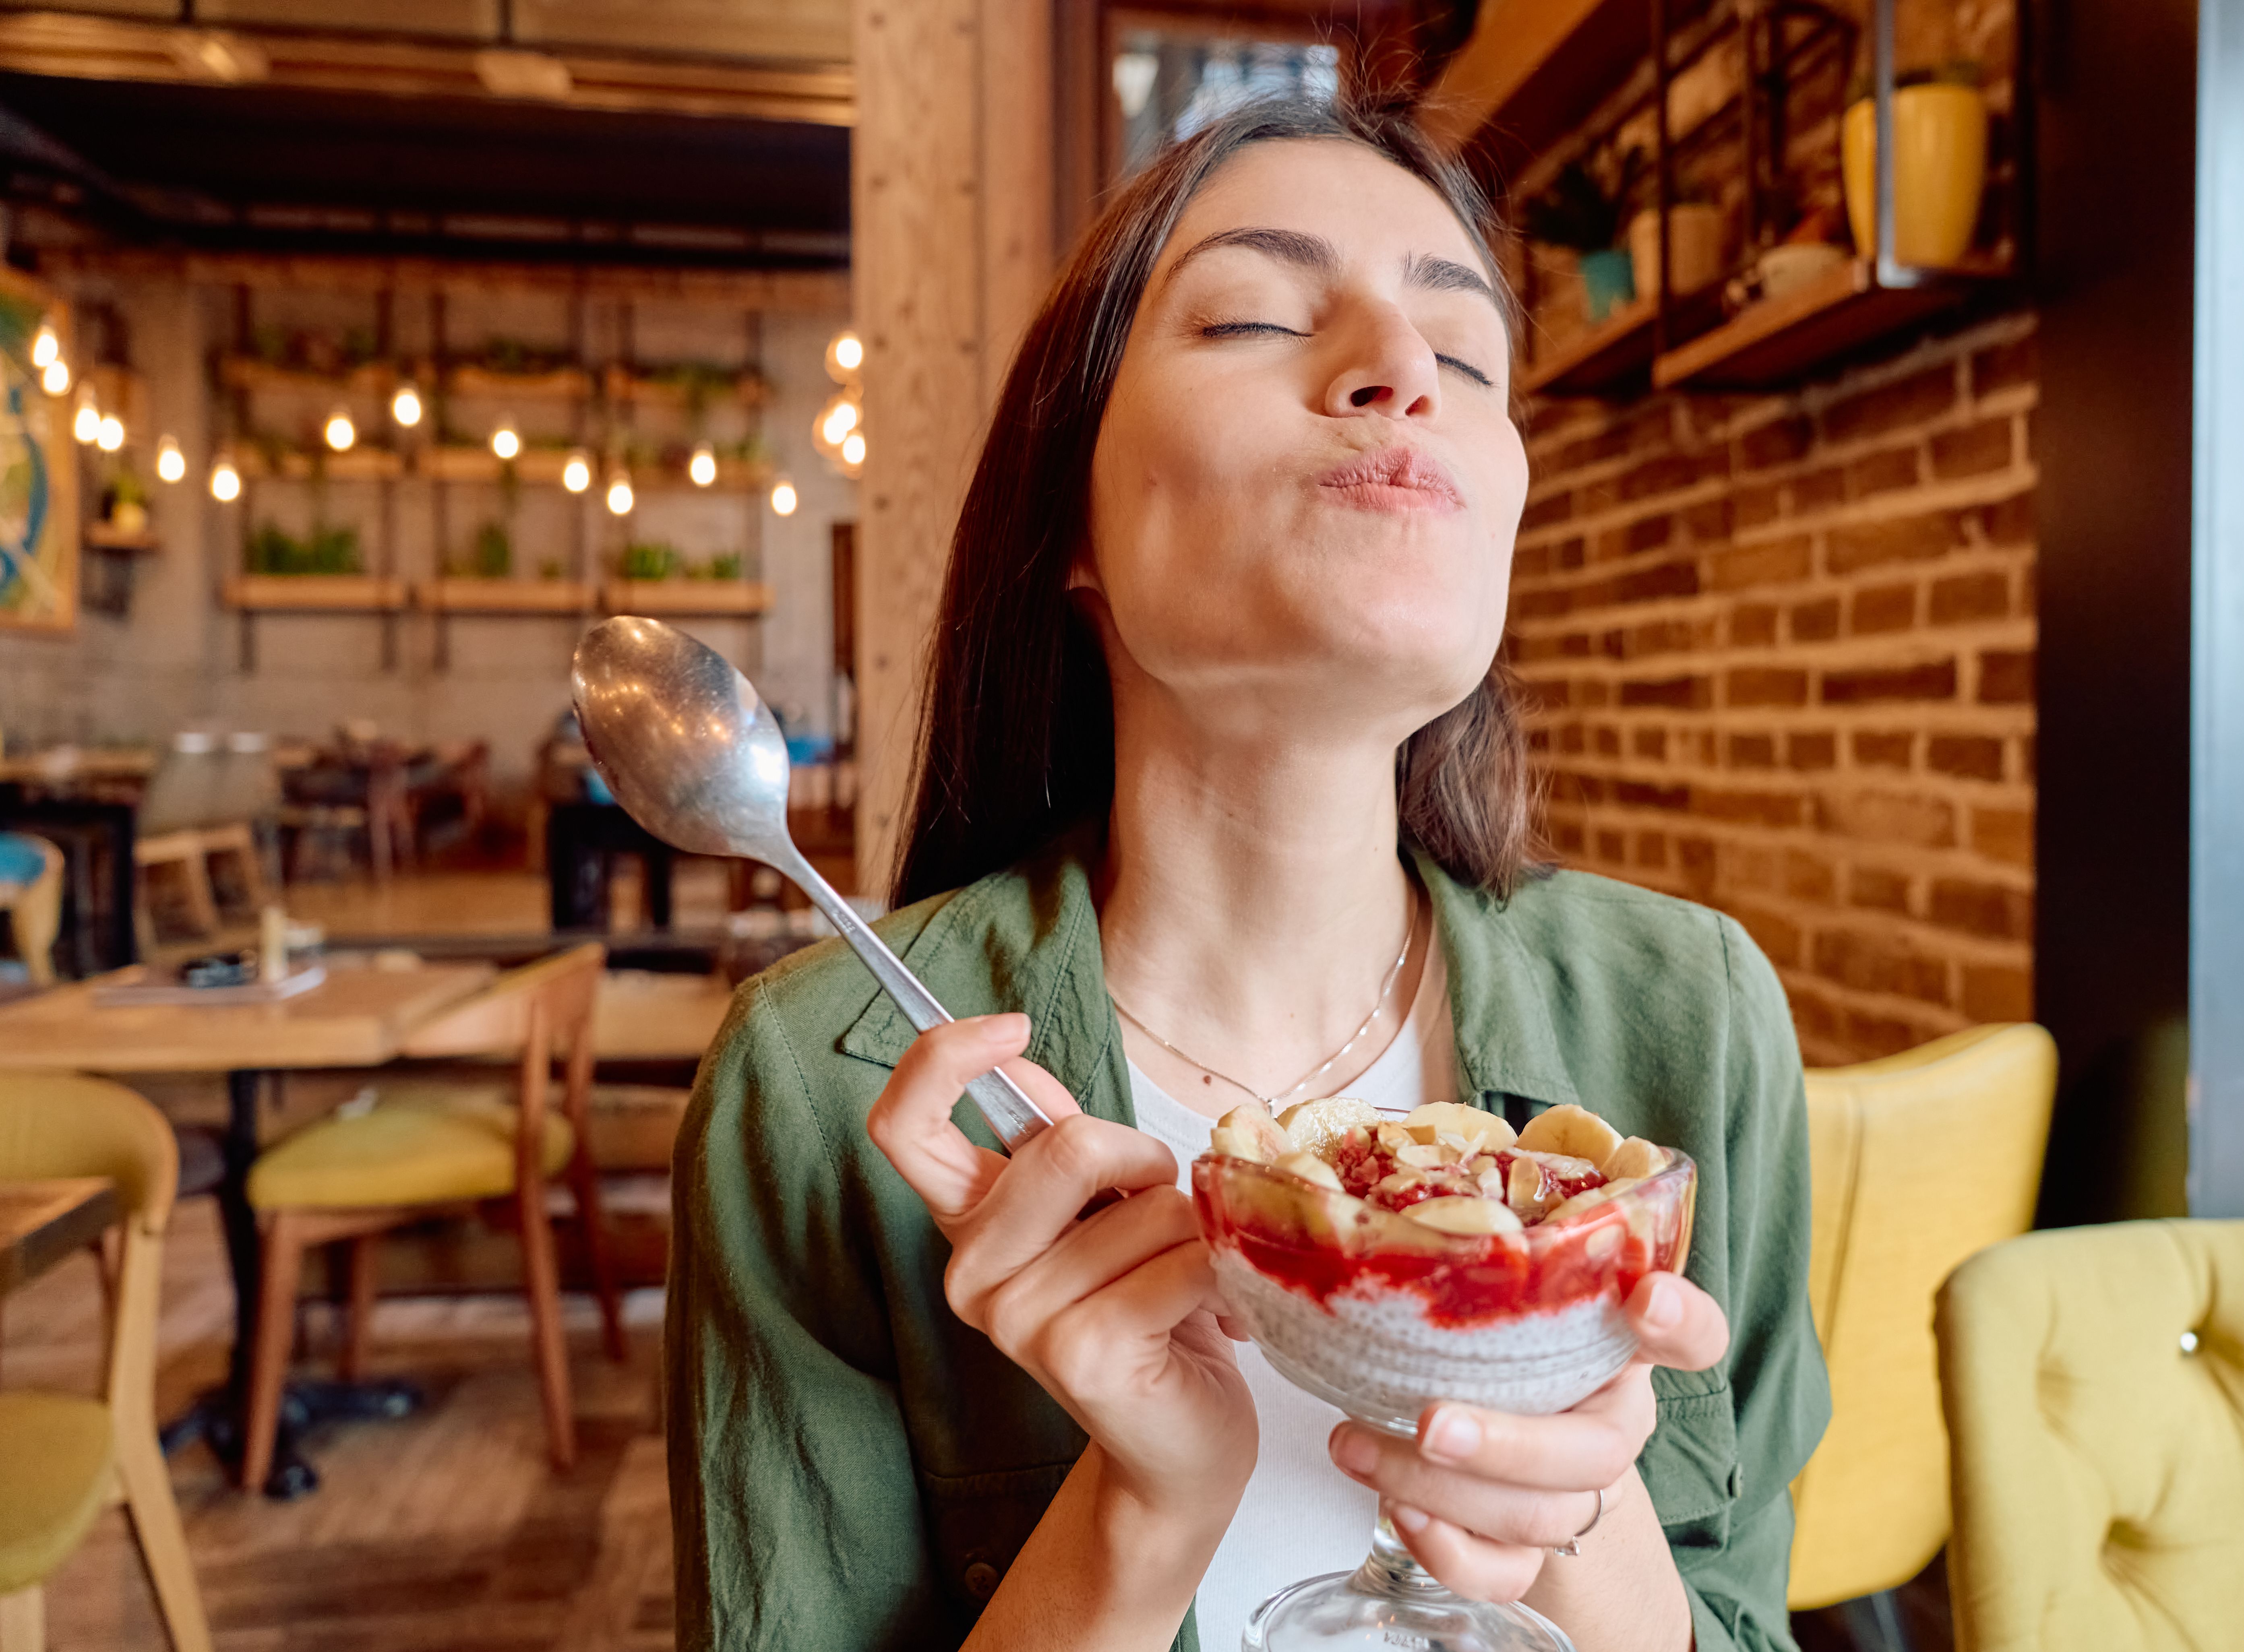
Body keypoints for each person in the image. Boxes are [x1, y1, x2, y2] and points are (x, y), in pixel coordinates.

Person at [668, 96, 1828, 1652]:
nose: (1403, 370)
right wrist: (1140, 1513)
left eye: (1465, 351)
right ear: (1070, 519)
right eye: (1253, 317)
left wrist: (1575, 1504)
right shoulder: (823, 1089)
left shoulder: (1692, 1011)